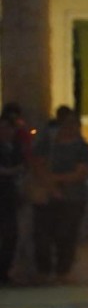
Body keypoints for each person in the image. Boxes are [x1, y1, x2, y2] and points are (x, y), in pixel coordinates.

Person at [31, 110, 88, 282]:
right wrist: (51, 187)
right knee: (42, 236)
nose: (70, 127)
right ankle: (43, 272)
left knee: (66, 236)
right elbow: (37, 164)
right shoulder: (47, 142)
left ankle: (62, 273)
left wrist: (56, 179)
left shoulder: (82, 147)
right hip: (46, 197)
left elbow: (81, 173)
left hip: (73, 198)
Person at [0, 116, 26, 285]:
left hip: (10, 198)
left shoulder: (16, 148)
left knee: (11, 236)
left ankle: (4, 272)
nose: (5, 132)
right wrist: (11, 171)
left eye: (8, 128)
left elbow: (23, 167)